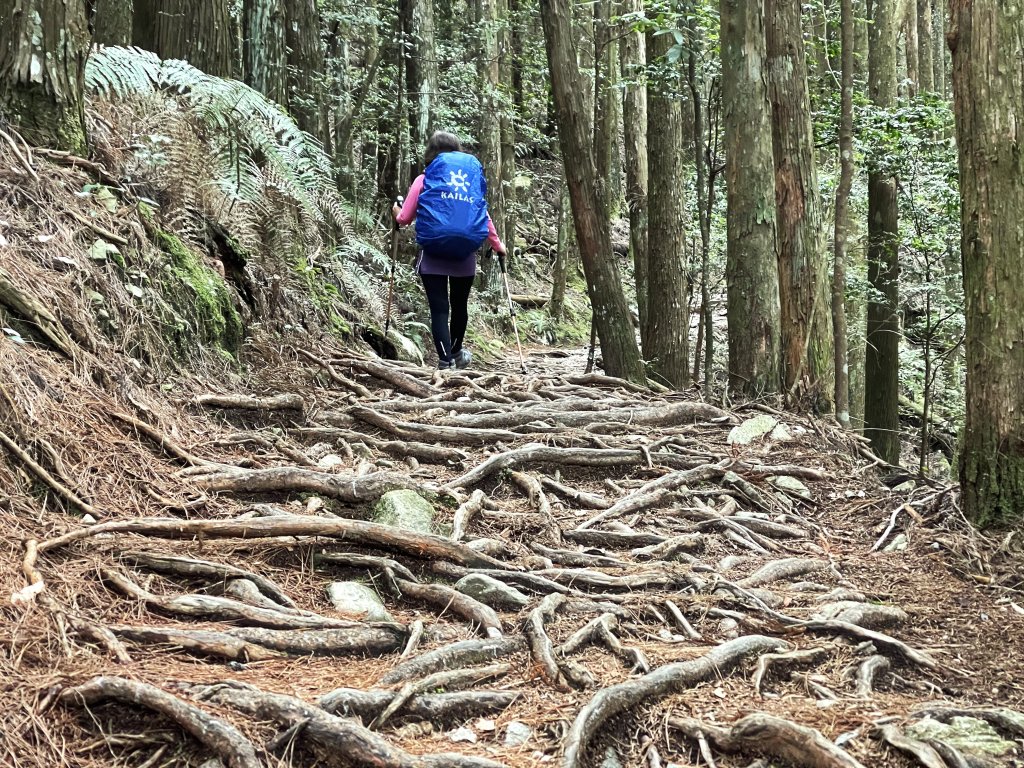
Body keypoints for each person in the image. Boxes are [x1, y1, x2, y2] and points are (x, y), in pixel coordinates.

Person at [392, 131, 506, 370]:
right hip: (464, 255)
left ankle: (445, 362)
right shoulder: (469, 182)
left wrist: (396, 210)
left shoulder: (424, 179)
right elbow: (482, 216)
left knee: (440, 308)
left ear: (431, 152)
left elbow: (404, 219)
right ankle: (455, 352)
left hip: (433, 253)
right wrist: (498, 245)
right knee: (460, 305)